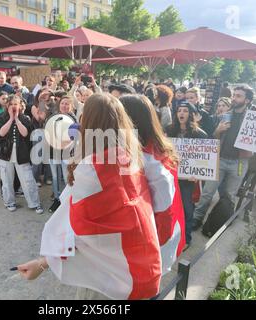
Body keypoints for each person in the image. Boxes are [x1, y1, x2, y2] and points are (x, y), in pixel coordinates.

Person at [15, 93, 162, 300]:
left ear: (89, 122)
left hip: (110, 279)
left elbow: (75, 229)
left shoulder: (91, 168)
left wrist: (41, 264)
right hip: (143, 266)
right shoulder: (132, 156)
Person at [120, 94, 186, 272]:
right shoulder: (153, 146)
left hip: (152, 240)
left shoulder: (149, 160)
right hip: (153, 235)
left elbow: (164, 213)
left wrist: (149, 247)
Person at [192, 86, 256, 231]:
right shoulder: (224, 116)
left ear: (247, 100)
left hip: (239, 162)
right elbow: (214, 138)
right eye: (234, 95)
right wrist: (218, 130)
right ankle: (197, 218)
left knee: (229, 195)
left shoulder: (253, 119)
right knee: (207, 192)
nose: (234, 98)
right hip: (220, 160)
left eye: (239, 96)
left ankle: (222, 220)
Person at [166, 101, 208, 247]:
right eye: (179, 111)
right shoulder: (168, 130)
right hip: (171, 177)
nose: (181, 113)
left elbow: (205, 159)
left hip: (188, 180)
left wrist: (197, 174)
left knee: (187, 209)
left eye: (185, 111)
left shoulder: (200, 135)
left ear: (190, 114)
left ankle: (186, 238)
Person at [0, 95, 44, 214]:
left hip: (21, 154)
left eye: (16, 104)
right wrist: (10, 119)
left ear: (20, 106)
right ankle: (9, 202)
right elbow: (1, 133)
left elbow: (25, 133)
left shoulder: (25, 118)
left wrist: (16, 119)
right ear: (7, 106)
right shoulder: (1, 117)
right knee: (6, 180)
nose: (13, 107)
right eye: (11, 104)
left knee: (28, 180)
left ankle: (34, 203)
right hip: (5, 154)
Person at [46, 96, 77, 213]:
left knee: (66, 177)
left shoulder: (73, 119)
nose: (64, 106)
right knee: (55, 177)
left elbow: (74, 138)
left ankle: (67, 200)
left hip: (67, 153)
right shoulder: (54, 117)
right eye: (63, 103)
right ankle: (57, 199)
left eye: (67, 104)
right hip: (53, 151)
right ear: (59, 105)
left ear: (71, 106)